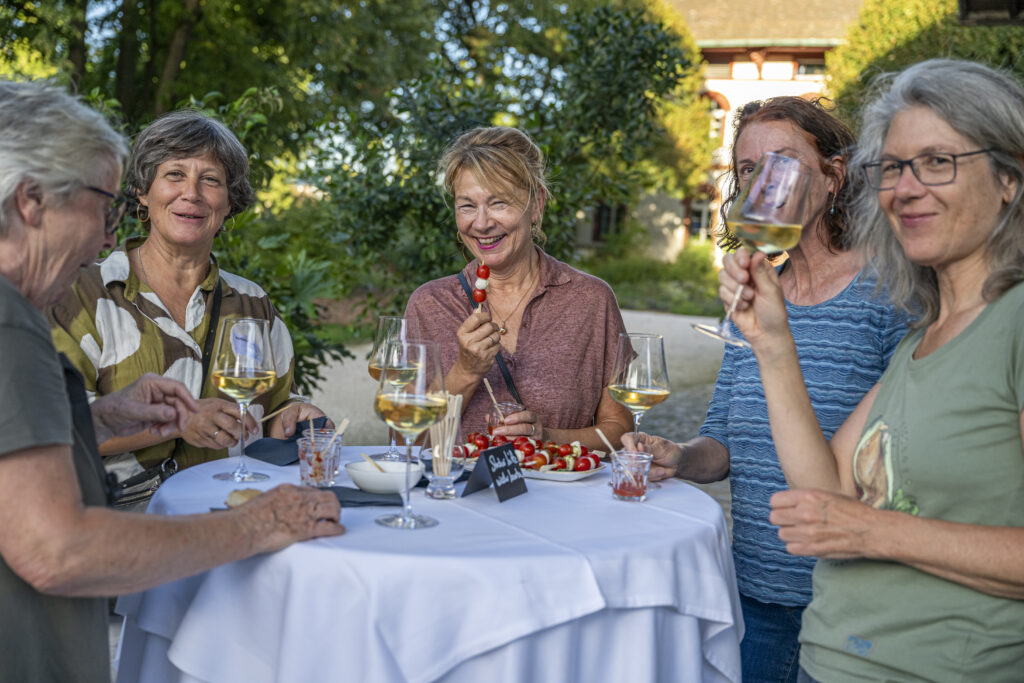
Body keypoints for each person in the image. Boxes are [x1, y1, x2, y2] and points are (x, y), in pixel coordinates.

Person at [0, 80, 343, 683]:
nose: (109, 237)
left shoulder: (251, 302)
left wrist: (99, 416)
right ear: (31, 201)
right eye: (101, 207)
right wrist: (261, 524)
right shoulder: (17, 320)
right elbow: (58, 551)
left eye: (211, 180)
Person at [719, 59, 1024, 681]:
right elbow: (827, 492)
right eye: (892, 167)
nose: (904, 188)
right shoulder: (926, 337)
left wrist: (873, 532)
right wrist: (772, 343)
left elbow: (850, 522)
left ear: (1009, 178)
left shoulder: (1013, 324)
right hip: (829, 659)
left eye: (937, 161)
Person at [623, 97, 909, 682]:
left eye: (783, 163)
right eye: (748, 169)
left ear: (833, 176)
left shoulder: (890, 293)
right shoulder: (754, 298)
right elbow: (722, 444)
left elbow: (901, 460)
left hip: (850, 604)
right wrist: (679, 456)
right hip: (753, 594)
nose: (762, 184)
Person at [49, 108, 328, 491]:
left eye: (210, 180)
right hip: (126, 512)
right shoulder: (82, 292)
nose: (192, 193)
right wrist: (180, 420)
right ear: (143, 191)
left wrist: (294, 416)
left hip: (233, 504)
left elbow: (277, 410)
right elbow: (56, 424)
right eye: (175, 175)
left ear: (229, 204)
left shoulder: (253, 302)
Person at [405, 126, 632, 449]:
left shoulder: (591, 300)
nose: (481, 223)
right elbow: (405, 441)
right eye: (467, 206)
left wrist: (547, 438)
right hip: (457, 484)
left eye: (499, 203)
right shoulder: (429, 304)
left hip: (555, 485)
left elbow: (619, 431)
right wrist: (465, 373)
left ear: (536, 204)